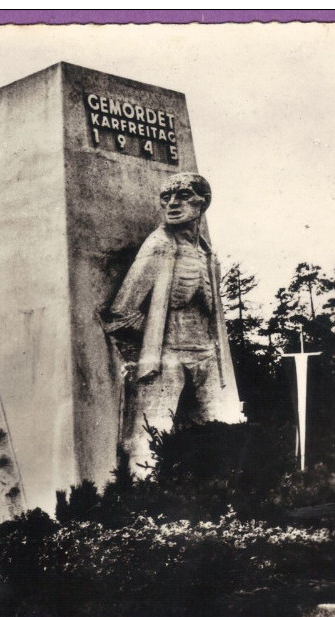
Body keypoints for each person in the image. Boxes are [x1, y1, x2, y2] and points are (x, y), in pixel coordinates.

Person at [104, 172, 244, 475]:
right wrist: (153, 342)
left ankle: (227, 500)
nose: (172, 203)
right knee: (150, 434)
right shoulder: (158, 245)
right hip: (166, 356)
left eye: (182, 195)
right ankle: (143, 503)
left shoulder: (209, 255)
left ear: (203, 202)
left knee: (226, 428)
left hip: (209, 356)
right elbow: (122, 312)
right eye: (165, 197)